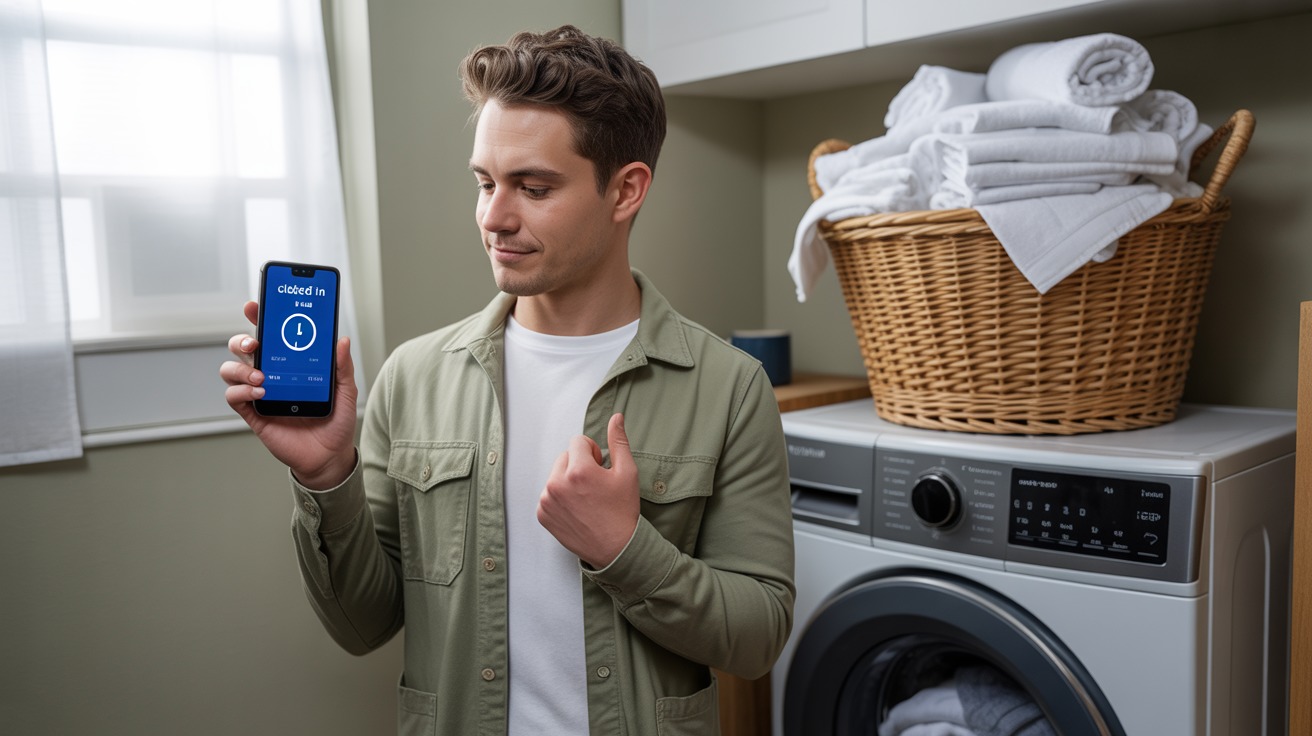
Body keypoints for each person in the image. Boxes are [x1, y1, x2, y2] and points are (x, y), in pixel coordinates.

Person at [220, 24, 794, 736]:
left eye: (534, 187)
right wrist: (325, 476)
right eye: (485, 183)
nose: (494, 217)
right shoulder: (413, 378)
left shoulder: (730, 388)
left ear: (626, 190)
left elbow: (758, 638)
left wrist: (623, 550)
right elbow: (362, 625)